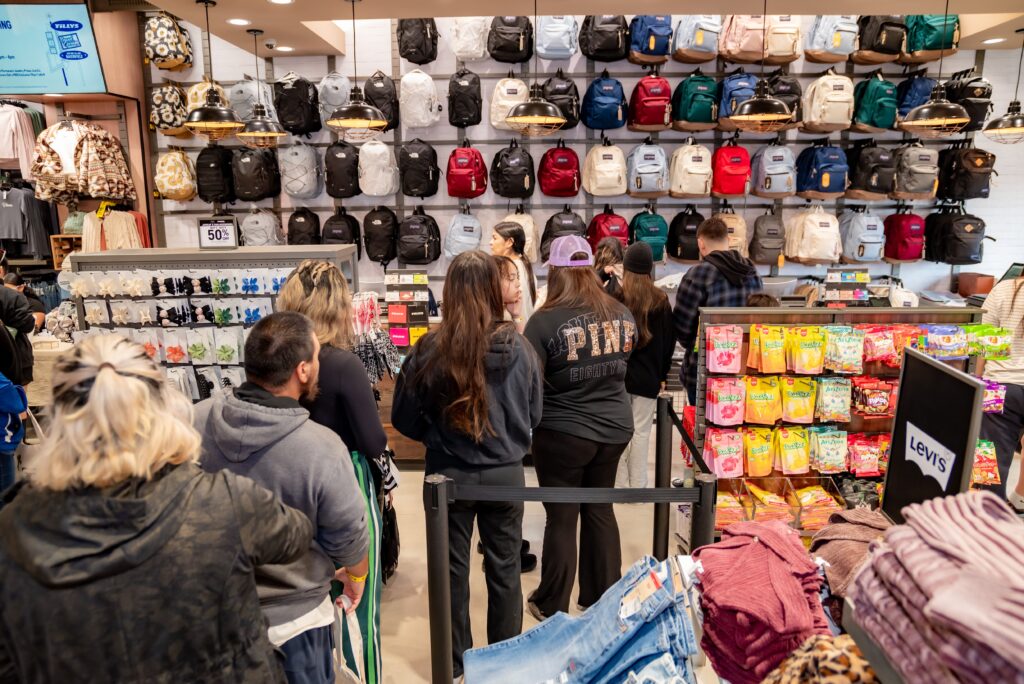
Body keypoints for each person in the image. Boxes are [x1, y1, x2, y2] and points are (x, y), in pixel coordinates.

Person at [0, 335, 313, 682]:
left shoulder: (12, 528)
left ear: (62, 419)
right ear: (163, 407)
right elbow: (295, 535)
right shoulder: (223, 502)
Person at [194, 312, 369, 684]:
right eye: (318, 358)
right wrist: (357, 575)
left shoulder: (192, 423)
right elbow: (349, 537)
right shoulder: (321, 448)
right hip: (296, 626)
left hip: (210, 619)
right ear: (303, 370)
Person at [392, 251, 542, 679]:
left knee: (451, 570)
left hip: (447, 474)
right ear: (494, 290)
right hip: (505, 473)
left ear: (449, 292)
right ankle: (505, 662)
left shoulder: (430, 348)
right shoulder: (521, 348)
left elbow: (404, 417)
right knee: (505, 567)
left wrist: (438, 436)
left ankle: (455, 663)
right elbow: (534, 414)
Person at [276, 260, 389, 684]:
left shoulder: (274, 357)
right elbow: (373, 442)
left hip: (284, 485)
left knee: (303, 603)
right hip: (344, 484)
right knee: (355, 603)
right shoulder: (341, 364)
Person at [524, 235, 637, 620]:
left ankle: (551, 602)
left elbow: (529, 382)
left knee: (562, 515)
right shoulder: (620, 312)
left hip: (563, 432)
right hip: (615, 428)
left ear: (555, 272)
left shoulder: (543, 322)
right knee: (600, 508)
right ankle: (602, 596)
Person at [673, 218, 763, 405]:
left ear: (700, 243)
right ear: (728, 240)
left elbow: (682, 327)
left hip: (704, 370)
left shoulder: (698, 274)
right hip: (745, 366)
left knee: (700, 429)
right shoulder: (751, 270)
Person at [615, 243, 676, 489]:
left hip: (618, 378)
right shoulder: (661, 300)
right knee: (641, 433)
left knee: (620, 431)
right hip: (648, 378)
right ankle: (638, 486)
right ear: (650, 269)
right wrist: (662, 374)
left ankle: (618, 486)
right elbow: (668, 342)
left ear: (626, 268)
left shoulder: (616, 297)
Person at [979, 275, 1024, 509]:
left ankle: (987, 510)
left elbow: (986, 346)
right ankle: (1020, 499)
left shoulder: (1004, 290)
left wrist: (977, 382)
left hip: (999, 384)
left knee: (989, 453)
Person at [490, 222, 537, 321]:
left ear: (509, 242)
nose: (490, 242)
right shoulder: (523, 265)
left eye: (494, 238)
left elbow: (520, 310)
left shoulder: (512, 270)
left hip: (516, 330)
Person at [0, 271, 34, 387]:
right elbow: (28, 325)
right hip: (13, 360)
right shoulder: (11, 296)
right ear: (1, 270)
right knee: (15, 402)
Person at [495, 254, 527, 333]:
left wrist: (517, 315)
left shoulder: (506, 313)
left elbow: (524, 343)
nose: (518, 284)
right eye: (511, 278)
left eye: (517, 277)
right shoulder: (489, 320)